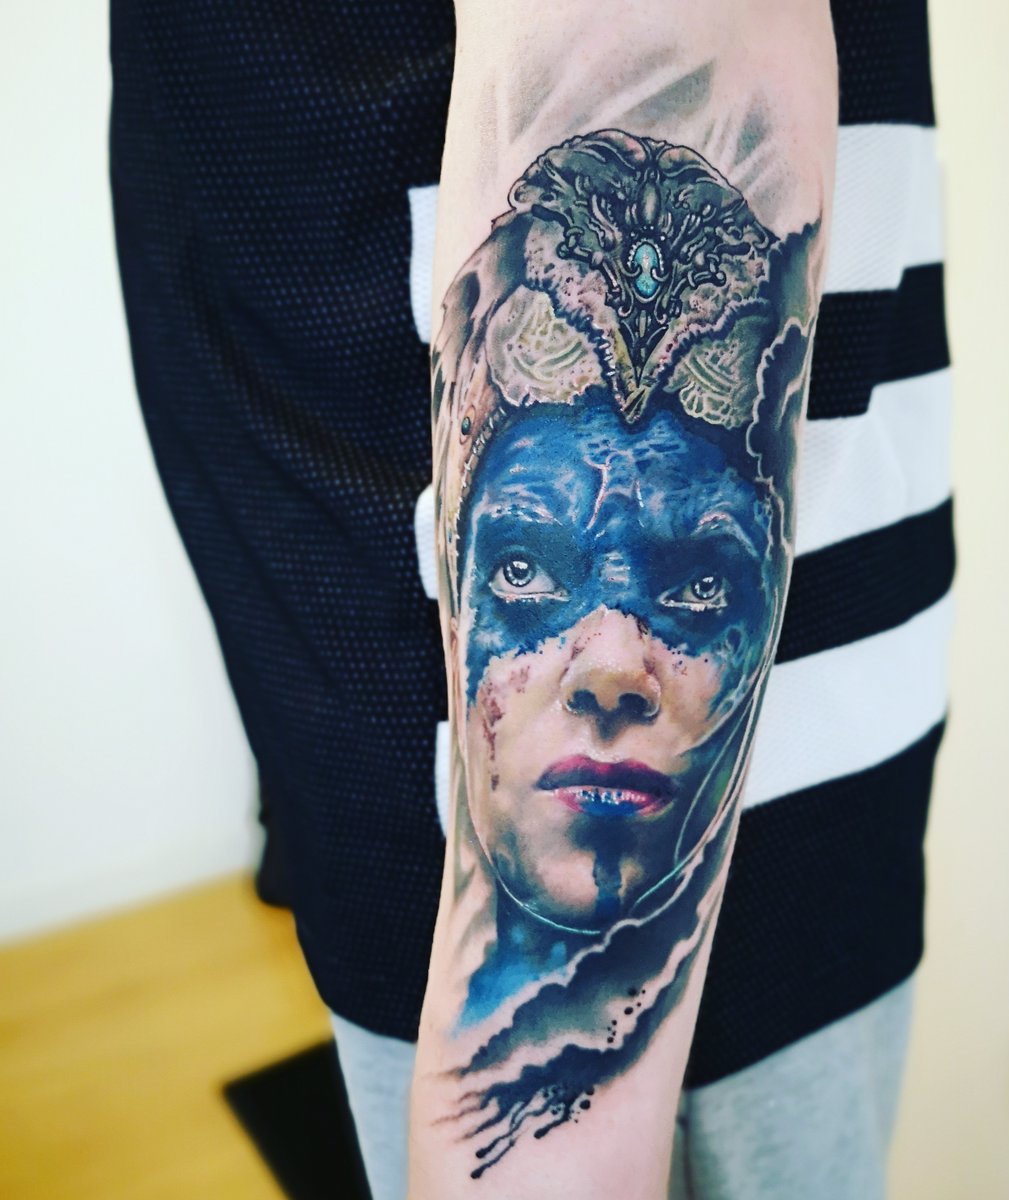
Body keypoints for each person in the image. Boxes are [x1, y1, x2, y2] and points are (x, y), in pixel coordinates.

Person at [110, 0, 951, 1196]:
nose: (610, 661)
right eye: (531, 570)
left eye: (686, 579)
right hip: (383, 711)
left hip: (719, 873)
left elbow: (652, 43)